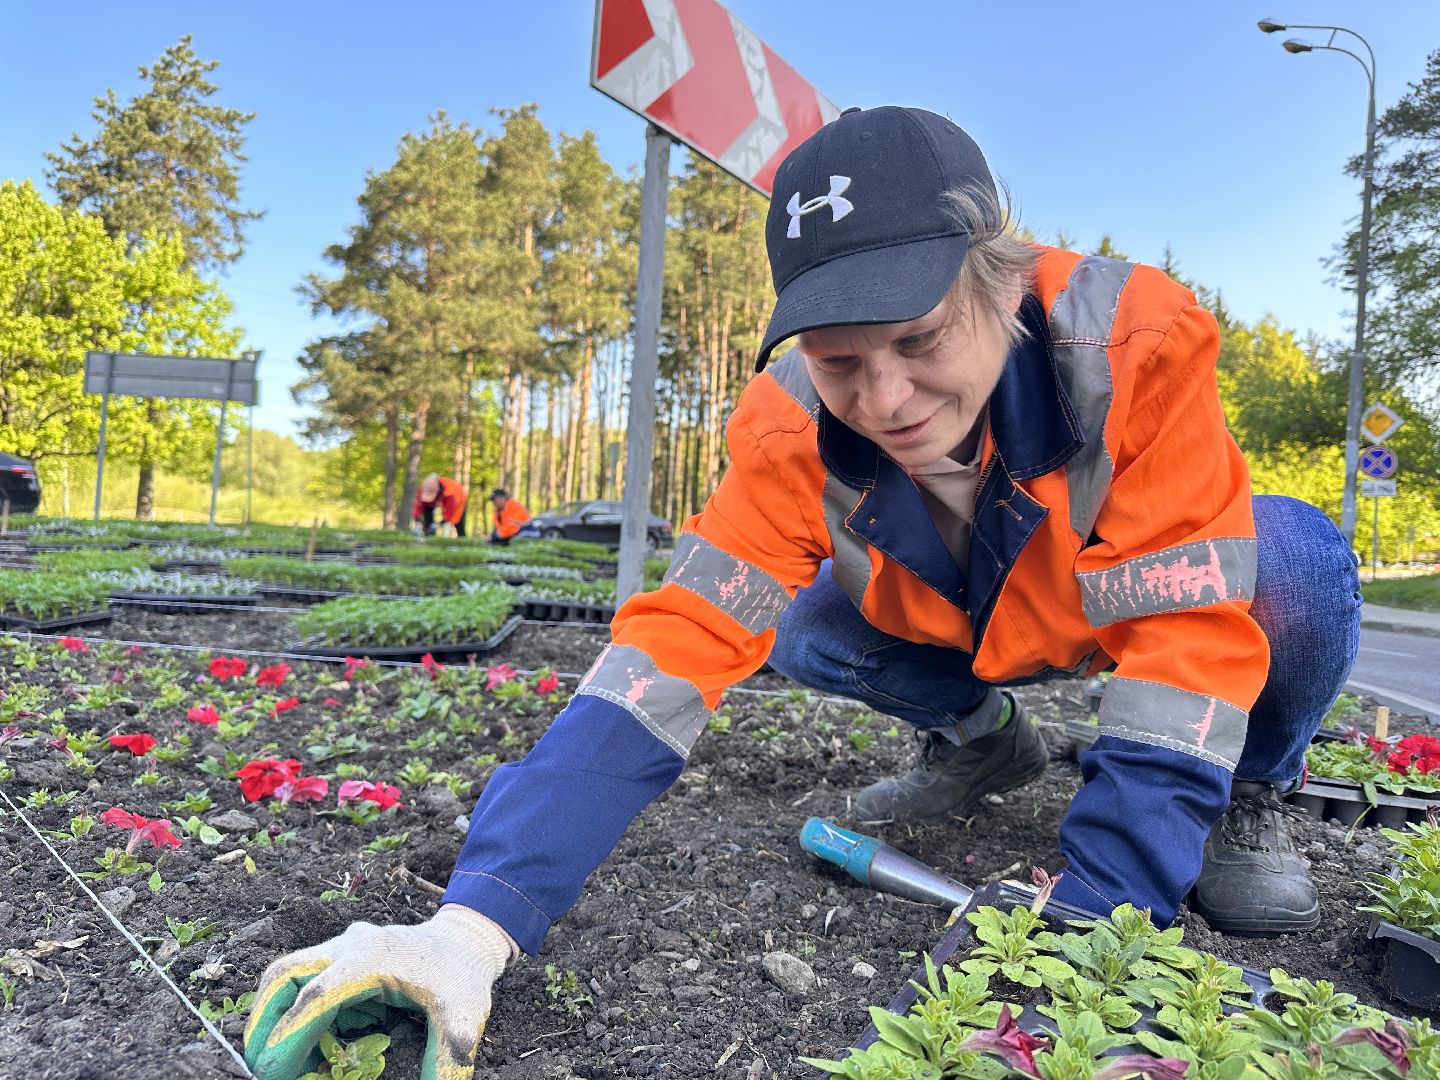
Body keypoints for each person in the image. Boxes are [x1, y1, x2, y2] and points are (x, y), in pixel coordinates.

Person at [244, 107, 1361, 1078]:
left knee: (1295, 565)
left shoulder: (1128, 343)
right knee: (808, 621)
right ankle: (986, 740)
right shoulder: (790, 420)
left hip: (1109, 600)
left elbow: (1184, 640)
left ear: (1001, 277)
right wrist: (474, 921)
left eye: (919, 339)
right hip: (966, 623)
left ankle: (1251, 791)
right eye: (840, 359)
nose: (884, 398)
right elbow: (672, 649)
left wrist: (1098, 922)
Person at [413, 474, 467, 538]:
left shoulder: (450, 493)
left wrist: (438, 524)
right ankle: (429, 536)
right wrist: (417, 522)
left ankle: (462, 538)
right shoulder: (424, 488)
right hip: (441, 495)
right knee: (427, 509)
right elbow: (418, 506)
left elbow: (449, 513)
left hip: (458, 500)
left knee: (458, 521)